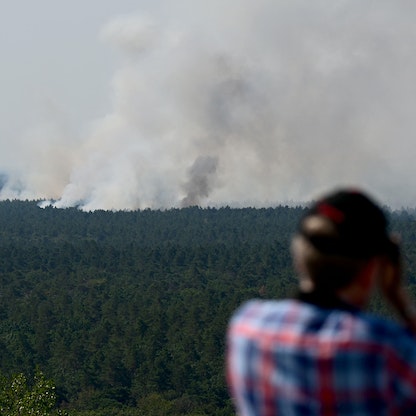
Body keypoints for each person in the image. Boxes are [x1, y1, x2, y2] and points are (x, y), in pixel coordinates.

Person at [226, 188, 416, 415]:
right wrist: (399, 301)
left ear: (299, 257)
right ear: (372, 269)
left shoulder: (246, 326)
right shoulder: (387, 348)